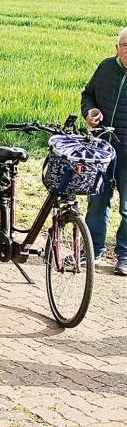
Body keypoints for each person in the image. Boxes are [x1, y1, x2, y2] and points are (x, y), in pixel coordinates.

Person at [83, 27, 127, 276]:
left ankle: (124, 254)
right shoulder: (106, 68)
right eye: (125, 45)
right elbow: (88, 95)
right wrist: (90, 112)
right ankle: (92, 249)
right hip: (101, 150)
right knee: (97, 202)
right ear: (117, 48)